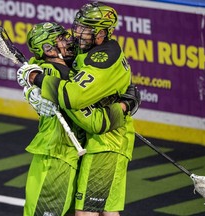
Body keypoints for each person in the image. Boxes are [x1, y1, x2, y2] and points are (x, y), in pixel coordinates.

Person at [23, 2, 139, 215]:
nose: (74, 35)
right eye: (76, 28)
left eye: (84, 30)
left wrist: (36, 79)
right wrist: (30, 84)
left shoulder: (103, 57)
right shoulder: (81, 51)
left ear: (102, 33)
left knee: (88, 212)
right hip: (93, 142)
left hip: (106, 142)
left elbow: (74, 98)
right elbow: (42, 62)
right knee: (104, 211)